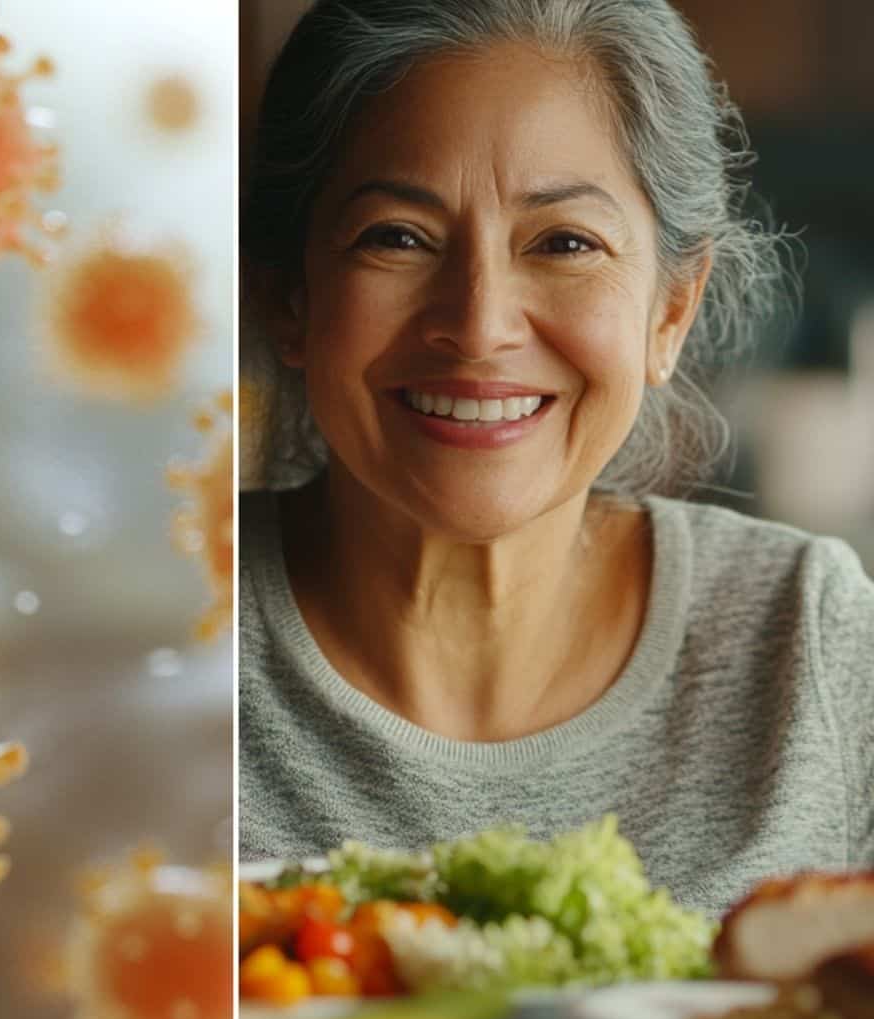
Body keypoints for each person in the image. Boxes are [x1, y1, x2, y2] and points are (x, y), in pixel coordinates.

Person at [239, 0, 874, 920]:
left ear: (670, 313)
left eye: (566, 243)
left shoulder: (813, 648)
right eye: (397, 237)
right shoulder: (154, 644)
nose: (479, 325)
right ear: (289, 298)